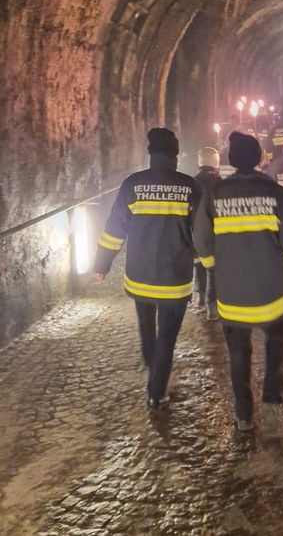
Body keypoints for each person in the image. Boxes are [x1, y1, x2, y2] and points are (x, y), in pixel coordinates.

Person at [194, 131, 283, 432]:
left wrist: (215, 269)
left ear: (232, 160)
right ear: (260, 158)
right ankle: (272, 401)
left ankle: (243, 413)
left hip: (232, 293)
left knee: (238, 353)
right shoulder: (276, 194)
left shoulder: (215, 194)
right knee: (276, 345)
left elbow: (202, 240)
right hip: (272, 292)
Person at [93, 128, 203, 410]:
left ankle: (151, 364)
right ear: (176, 154)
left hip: (140, 275)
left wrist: (102, 263)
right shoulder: (189, 186)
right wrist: (208, 259)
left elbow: (115, 227)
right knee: (167, 335)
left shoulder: (133, 184)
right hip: (175, 278)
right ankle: (156, 391)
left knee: (145, 324)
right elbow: (201, 232)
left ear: (150, 153)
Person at [194, 147, 221, 320]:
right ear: (216, 163)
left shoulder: (191, 183)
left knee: (199, 265)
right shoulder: (220, 183)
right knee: (213, 270)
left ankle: (201, 299)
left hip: (196, 234)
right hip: (215, 234)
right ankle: (212, 306)